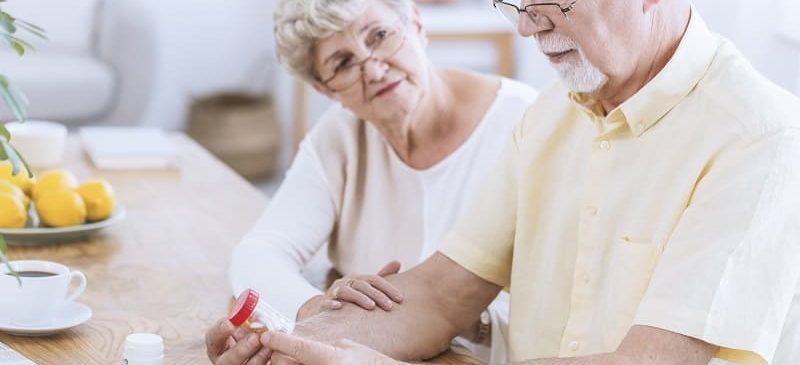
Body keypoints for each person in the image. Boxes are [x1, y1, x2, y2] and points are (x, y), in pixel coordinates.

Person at [255, 0, 800, 364]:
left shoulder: (761, 134)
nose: (526, 24)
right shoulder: (548, 117)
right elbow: (444, 294)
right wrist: (281, 341)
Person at [204, 0, 539, 364]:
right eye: (343, 63)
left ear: (416, 24)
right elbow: (258, 252)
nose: (375, 69)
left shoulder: (523, 123)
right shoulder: (339, 138)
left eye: (379, 35)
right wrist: (318, 309)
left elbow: (558, 304)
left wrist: (463, 318)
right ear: (325, 90)